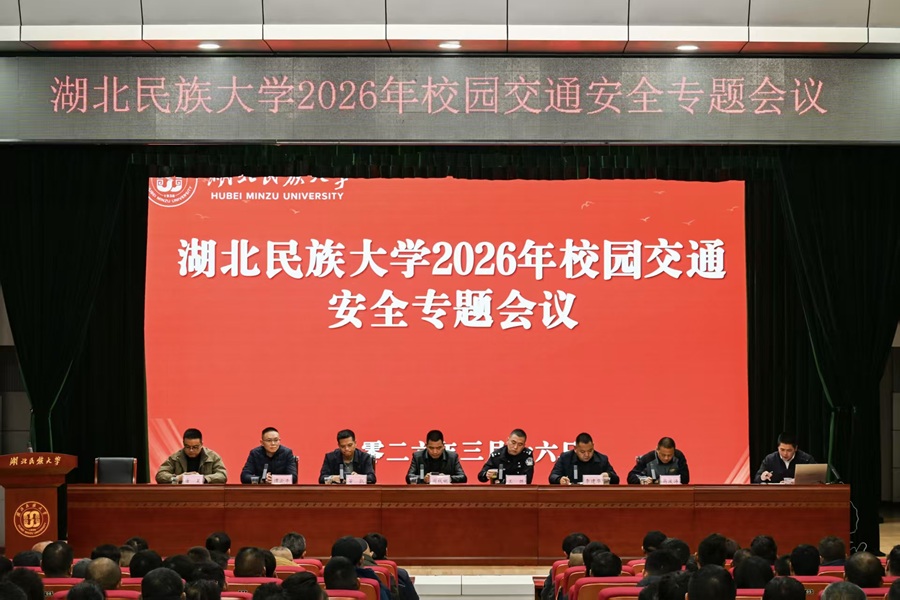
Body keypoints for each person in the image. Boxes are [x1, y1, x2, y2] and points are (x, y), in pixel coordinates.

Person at [156, 428, 228, 484]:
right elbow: (160, 475)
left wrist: (203, 479)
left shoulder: (213, 457)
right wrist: (178, 478)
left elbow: (222, 475)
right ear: (183, 443)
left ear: (201, 444)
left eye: (195, 447)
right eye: (187, 447)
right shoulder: (175, 458)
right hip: (181, 494)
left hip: (206, 494)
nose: (191, 450)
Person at [549, 432, 619, 484]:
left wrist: (608, 475)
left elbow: (616, 479)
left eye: (590, 451)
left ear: (593, 446)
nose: (587, 455)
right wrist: (560, 479)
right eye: (582, 452)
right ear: (575, 449)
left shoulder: (602, 459)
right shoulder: (565, 458)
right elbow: (553, 476)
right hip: (571, 496)